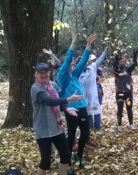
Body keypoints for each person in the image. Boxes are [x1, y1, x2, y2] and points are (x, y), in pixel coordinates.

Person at [31, 63, 83, 175]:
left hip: (57, 127)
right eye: (41, 74)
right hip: (43, 130)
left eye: (46, 73)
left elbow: (58, 101)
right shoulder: (35, 88)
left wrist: (66, 108)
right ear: (36, 75)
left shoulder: (53, 85)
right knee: (45, 161)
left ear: (49, 73)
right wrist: (68, 99)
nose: (44, 76)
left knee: (66, 155)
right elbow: (49, 101)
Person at [56, 32, 97, 167]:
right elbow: (68, 59)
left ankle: (79, 156)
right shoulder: (62, 76)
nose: (74, 63)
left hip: (82, 108)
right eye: (71, 62)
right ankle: (67, 161)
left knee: (85, 134)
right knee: (72, 135)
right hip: (71, 109)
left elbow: (83, 61)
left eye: (74, 62)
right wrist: (73, 41)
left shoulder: (74, 75)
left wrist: (88, 45)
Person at [79, 49, 106, 129]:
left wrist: (104, 52)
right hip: (83, 96)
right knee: (87, 112)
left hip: (94, 95)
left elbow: (99, 61)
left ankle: (97, 126)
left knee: (95, 109)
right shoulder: (78, 71)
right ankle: (89, 127)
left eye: (92, 60)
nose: (91, 62)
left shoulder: (92, 67)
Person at [113, 49, 138, 132]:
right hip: (119, 93)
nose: (122, 62)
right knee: (120, 109)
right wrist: (116, 56)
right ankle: (119, 125)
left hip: (128, 94)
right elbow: (115, 64)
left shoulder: (128, 69)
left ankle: (131, 124)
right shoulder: (116, 70)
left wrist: (135, 55)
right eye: (121, 61)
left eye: (124, 61)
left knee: (129, 108)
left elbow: (134, 64)